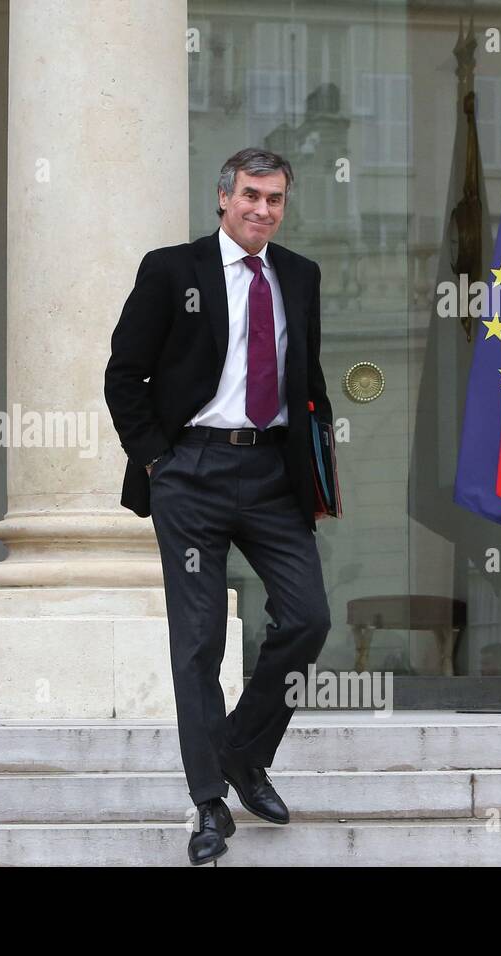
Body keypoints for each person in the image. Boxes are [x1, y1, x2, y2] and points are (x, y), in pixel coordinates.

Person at [104, 147, 334, 865]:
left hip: (272, 472)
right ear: (223, 198)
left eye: (275, 199)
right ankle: (209, 803)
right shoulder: (172, 270)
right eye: (251, 196)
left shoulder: (299, 275)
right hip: (193, 471)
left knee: (307, 618)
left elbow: (309, 379)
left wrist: (321, 479)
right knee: (199, 641)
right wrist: (155, 460)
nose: (262, 209)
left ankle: (241, 750)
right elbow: (124, 374)